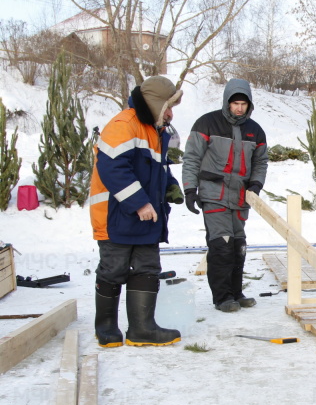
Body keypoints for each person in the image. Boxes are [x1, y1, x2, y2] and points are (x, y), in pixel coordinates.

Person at [89, 76, 185, 347]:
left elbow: (155, 169)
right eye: (168, 106)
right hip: (116, 214)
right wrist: (140, 203)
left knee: (147, 267)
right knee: (113, 268)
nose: (170, 113)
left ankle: (142, 328)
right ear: (155, 104)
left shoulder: (155, 131)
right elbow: (112, 168)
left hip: (146, 216)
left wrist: (170, 186)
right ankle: (106, 327)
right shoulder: (124, 125)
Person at [182, 79, 268, 312]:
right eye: (235, 103)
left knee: (238, 245)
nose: (239, 108)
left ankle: (236, 292)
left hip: (240, 197)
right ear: (227, 103)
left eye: (243, 104)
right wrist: (190, 189)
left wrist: (256, 186)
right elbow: (191, 158)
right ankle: (222, 298)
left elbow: (260, 162)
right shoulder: (207, 123)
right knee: (221, 244)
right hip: (214, 193)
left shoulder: (255, 130)